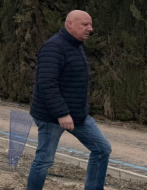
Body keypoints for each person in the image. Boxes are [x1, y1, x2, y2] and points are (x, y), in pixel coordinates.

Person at [27, 10, 111, 190]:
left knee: (102, 149)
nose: (90, 29)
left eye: (90, 24)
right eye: (85, 24)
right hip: (51, 117)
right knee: (44, 160)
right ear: (70, 24)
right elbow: (47, 83)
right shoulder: (53, 47)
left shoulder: (76, 45)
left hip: (78, 116)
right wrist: (62, 113)